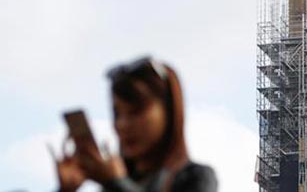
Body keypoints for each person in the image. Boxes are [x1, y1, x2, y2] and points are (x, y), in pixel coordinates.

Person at [50, 56, 218, 192]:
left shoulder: (195, 177)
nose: (122, 125)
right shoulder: (112, 184)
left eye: (136, 112)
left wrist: (116, 183)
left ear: (168, 112)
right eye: (117, 114)